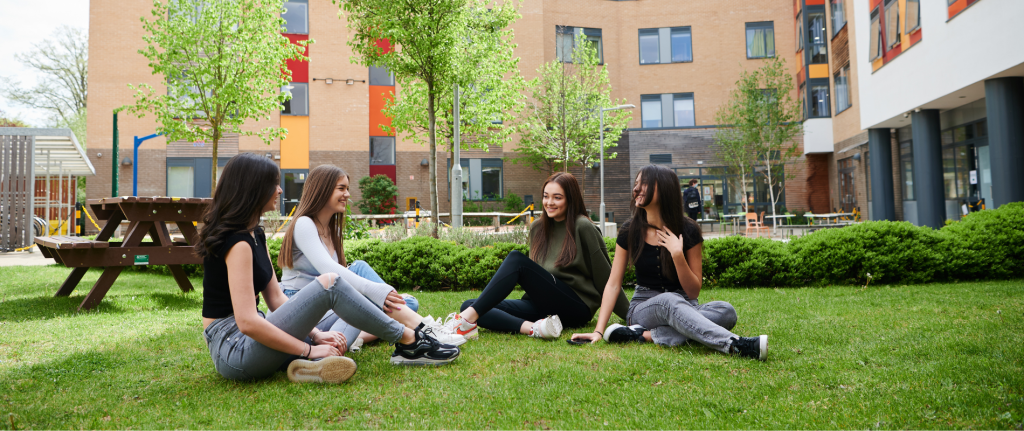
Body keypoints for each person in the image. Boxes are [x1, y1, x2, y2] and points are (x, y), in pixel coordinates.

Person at [199, 154, 459, 385]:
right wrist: (309, 348)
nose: (279, 190)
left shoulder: (255, 234)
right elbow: (247, 323)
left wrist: (317, 335)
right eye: (273, 184)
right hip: (234, 350)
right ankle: (409, 341)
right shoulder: (238, 243)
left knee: (354, 307)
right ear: (253, 189)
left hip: (257, 338)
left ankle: (309, 367)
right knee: (332, 283)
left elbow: (276, 299)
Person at [570, 164, 767, 360]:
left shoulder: (688, 230)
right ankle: (734, 344)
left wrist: (677, 255)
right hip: (643, 307)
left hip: (685, 305)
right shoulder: (630, 230)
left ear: (664, 188)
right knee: (669, 300)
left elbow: (693, 292)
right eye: (636, 183)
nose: (636, 189)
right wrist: (598, 331)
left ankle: (643, 335)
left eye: (644, 183)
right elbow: (613, 284)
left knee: (726, 311)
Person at [278, 164, 465, 348]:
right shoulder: (304, 224)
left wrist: (379, 294)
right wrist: (374, 291)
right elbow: (328, 269)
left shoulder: (331, 228)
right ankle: (423, 328)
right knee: (375, 293)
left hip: (331, 309)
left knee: (407, 303)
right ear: (322, 190)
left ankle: (358, 338)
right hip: (305, 310)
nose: (347, 195)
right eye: (341, 188)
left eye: (347, 189)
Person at [442, 172, 630, 340]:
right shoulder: (538, 228)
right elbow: (539, 274)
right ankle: (535, 328)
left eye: (557, 198)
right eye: (546, 196)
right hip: (543, 304)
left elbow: (606, 277)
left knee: (516, 260)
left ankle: (464, 322)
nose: (549, 202)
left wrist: (630, 315)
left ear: (570, 200)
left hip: (576, 307)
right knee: (472, 305)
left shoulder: (583, 226)